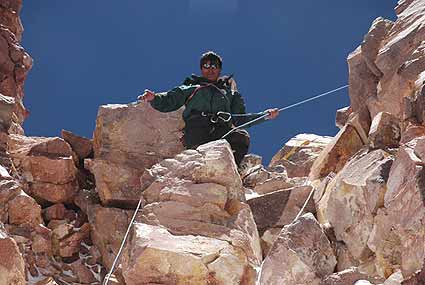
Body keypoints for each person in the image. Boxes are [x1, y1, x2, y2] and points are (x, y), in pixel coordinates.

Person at [138, 51, 279, 166]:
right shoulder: (192, 88)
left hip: (222, 128)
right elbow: (170, 100)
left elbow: (240, 119)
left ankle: (231, 170)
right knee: (199, 153)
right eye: (206, 65)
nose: (210, 69)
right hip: (197, 126)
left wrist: (264, 115)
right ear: (201, 69)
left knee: (241, 137)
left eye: (214, 66)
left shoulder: (230, 94)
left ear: (219, 69)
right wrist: (154, 98)